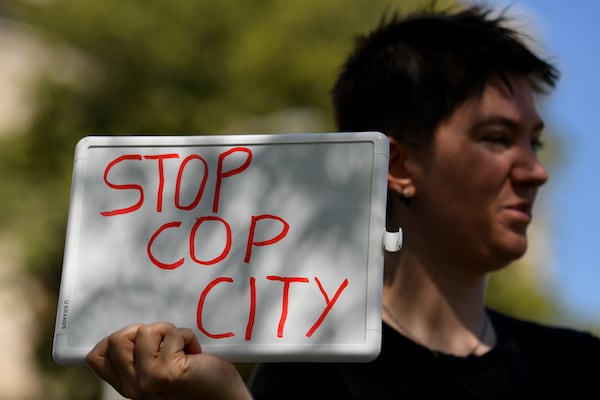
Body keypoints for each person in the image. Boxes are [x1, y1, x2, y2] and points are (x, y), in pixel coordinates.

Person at [86, 5, 600, 399]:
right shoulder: (314, 373)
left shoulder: (575, 365)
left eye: (536, 140)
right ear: (397, 167)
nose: (535, 170)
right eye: (496, 138)